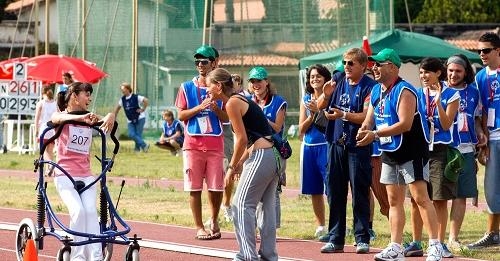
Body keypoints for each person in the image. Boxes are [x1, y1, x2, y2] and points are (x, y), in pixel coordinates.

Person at [356, 48, 443, 261]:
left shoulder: (405, 90)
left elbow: (404, 124)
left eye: (379, 64)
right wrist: (364, 130)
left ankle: (435, 246)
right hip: (389, 149)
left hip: (411, 150)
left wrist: (374, 134)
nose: (374, 67)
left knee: (420, 198)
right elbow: (370, 118)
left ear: (393, 67)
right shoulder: (376, 91)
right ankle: (395, 247)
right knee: (394, 201)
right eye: (373, 64)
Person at [206, 67, 279, 261]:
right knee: (266, 208)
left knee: (240, 205)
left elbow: (241, 139)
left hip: (263, 155)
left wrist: (230, 168)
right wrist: (239, 163)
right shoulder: (242, 99)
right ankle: (269, 256)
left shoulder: (232, 103)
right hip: (274, 155)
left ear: (219, 86)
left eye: (209, 86)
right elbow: (255, 136)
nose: (207, 91)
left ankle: (247, 256)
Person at [318, 48, 375, 254]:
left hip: (358, 145)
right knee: (335, 191)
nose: (346, 67)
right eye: (344, 63)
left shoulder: (371, 87)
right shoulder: (338, 80)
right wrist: (325, 98)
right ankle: (336, 238)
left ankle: (362, 237)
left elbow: (367, 116)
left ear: (363, 65)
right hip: (335, 143)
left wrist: (343, 115)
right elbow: (320, 107)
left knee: (359, 192)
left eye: (351, 63)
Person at [51, 82, 115, 261]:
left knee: (90, 212)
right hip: (65, 175)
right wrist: (78, 118)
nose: (89, 98)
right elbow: (55, 119)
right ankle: (77, 257)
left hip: (86, 175)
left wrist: (110, 116)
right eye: (86, 94)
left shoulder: (90, 118)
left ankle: (95, 257)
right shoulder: (61, 115)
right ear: (74, 96)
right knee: (78, 211)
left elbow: (108, 120)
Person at [405, 57, 460, 258]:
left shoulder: (452, 94)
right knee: (415, 199)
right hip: (420, 149)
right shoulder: (417, 94)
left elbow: (446, 125)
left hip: (440, 150)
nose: (423, 76)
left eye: (427, 72)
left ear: (438, 72)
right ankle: (416, 242)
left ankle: (440, 243)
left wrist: (437, 104)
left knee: (439, 199)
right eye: (420, 73)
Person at [175, 45, 228, 240]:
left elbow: (227, 118)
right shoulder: (186, 87)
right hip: (192, 145)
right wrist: (200, 107)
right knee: (194, 187)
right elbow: (181, 115)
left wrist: (215, 108)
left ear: (215, 62)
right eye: (197, 61)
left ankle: (214, 219)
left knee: (216, 187)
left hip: (215, 144)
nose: (200, 65)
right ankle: (199, 226)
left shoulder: (222, 88)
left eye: (204, 61)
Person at [467, 32, 500, 249]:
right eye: (479, 51)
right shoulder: (479, 78)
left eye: (486, 50)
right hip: (493, 140)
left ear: (498, 51)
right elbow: (478, 114)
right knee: (492, 188)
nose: (482, 54)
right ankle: (492, 234)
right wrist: (481, 138)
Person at [444, 55, 480, 250]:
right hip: (443, 149)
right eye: (450, 70)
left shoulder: (473, 92)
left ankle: (453, 239)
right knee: (439, 196)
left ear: (466, 72)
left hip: (466, 150)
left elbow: (475, 119)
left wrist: (480, 134)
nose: (453, 74)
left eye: (458, 71)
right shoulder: (438, 90)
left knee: (461, 195)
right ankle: (437, 238)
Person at [247, 66, 287, 230]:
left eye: (259, 81)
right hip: (253, 149)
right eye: (253, 81)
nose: (256, 84)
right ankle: (254, 225)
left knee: (272, 189)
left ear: (267, 82)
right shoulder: (247, 101)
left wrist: (259, 116)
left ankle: (272, 226)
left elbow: (277, 127)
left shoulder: (278, 101)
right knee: (254, 188)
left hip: (275, 150)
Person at [298, 64, 331, 238]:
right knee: (315, 190)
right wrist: (311, 115)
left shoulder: (330, 97)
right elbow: (301, 130)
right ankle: (321, 226)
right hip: (309, 148)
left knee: (331, 188)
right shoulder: (305, 99)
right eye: (312, 76)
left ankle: (335, 224)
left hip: (326, 147)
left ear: (325, 78)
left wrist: (319, 110)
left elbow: (331, 122)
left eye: (318, 76)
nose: (315, 79)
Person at [113, 83, 149, 152]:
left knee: (138, 134)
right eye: (121, 90)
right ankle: (144, 145)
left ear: (128, 89)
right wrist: (114, 117)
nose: (122, 91)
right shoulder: (122, 99)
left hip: (140, 118)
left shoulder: (136, 97)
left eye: (124, 89)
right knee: (131, 134)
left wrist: (143, 109)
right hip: (130, 120)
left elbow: (146, 100)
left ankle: (137, 149)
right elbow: (117, 108)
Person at [34, 84, 58, 176]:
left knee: (43, 151)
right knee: (50, 151)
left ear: (43, 93)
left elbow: (37, 118)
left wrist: (36, 130)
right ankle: (48, 170)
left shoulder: (41, 103)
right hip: (52, 130)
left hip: (44, 129)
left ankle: (50, 164)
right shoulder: (55, 103)